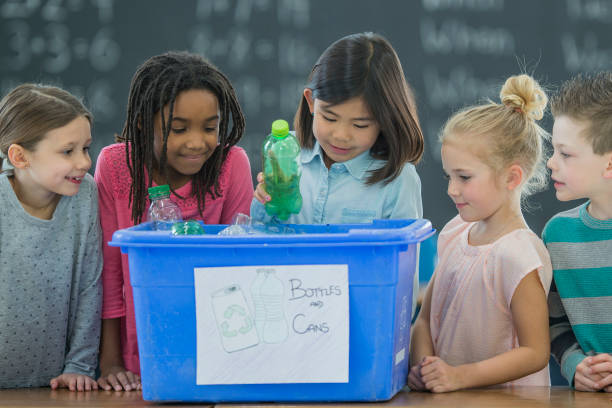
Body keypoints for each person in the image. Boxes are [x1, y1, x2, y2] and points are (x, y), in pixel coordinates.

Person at [95, 51, 254, 391]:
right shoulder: (114, 166)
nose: (197, 143)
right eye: (178, 129)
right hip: (138, 362)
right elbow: (108, 271)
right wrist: (110, 362)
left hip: (221, 349)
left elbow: (241, 264)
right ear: (142, 123)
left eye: (210, 128)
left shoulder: (231, 164)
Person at [251, 32, 424, 315]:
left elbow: (404, 285)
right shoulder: (285, 153)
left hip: (361, 320)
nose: (341, 136)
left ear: (384, 121)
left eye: (360, 125)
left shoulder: (397, 180)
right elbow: (258, 243)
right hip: (284, 313)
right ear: (311, 103)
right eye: (329, 117)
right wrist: (264, 205)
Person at [409, 74, 553, 392]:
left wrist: (459, 376)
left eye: (464, 177)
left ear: (511, 177)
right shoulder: (454, 233)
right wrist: (425, 368)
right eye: (449, 175)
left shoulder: (519, 255)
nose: (451, 189)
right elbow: (423, 322)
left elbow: (535, 352)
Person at [0, 84, 102, 391]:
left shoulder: (84, 193)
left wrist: (80, 366)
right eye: (67, 151)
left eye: (85, 148)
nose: (84, 162)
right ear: (20, 157)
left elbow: (90, 284)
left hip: (59, 385)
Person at [545, 72, 612, 392]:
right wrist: (574, 366)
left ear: (609, 165)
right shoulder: (558, 235)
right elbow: (555, 324)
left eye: (565, 153)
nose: (550, 163)